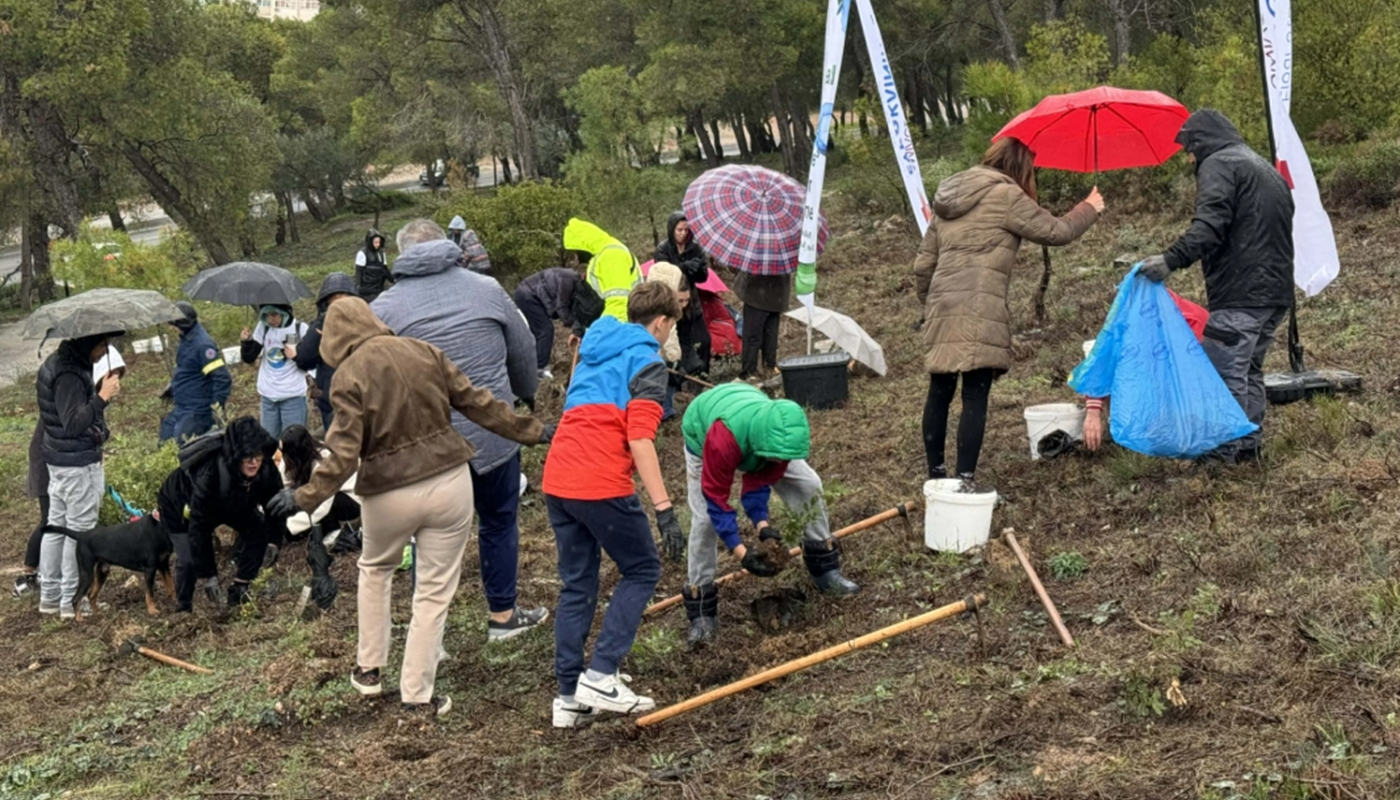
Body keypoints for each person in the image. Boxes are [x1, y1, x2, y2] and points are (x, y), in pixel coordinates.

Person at [265, 297, 547, 717]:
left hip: (388, 492)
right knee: (433, 593)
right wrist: (535, 430)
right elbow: (478, 403)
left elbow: (342, 454)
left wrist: (302, 496)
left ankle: (369, 670)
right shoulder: (424, 351)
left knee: (375, 571)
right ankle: (418, 696)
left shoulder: (348, 376)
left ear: (335, 337)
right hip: (450, 483)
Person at [372, 219, 546, 642]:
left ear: (402, 253)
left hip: (426, 443)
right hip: (493, 435)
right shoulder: (486, 289)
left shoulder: (384, 308)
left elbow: (372, 378)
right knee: (499, 521)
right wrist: (524, 395)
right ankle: (503, 618)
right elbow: (522, 350)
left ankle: (428, 636)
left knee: (427, 536)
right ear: (447, 246)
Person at [913, 137, 1103, 485]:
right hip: (980, 306)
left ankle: (936, 478)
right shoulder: (1006, 195)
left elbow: (924, 265)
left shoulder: (948, 198)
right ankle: (965, 481)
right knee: (974, 394)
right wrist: (1088, 207)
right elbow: (1056, 231)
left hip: (942, 303)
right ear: (1020, 167)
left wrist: (930, 306)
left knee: (939, 389)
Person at [541, 281, 683, 727]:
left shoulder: (592, 348)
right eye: (671, 326)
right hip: (599, 480)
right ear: (661, 322)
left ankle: (568, 697)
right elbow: (640, 440)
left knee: (578, 583)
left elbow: (573, 405)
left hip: (558, 476)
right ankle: (601, 673)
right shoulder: (648, 362)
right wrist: (664, 510)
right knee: (642, 569)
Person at [1139, 109, 1295, 465]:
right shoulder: (1263, 168)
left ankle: (1223, 453)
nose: (1189, 157)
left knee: (1221, 371)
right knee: (1249, 369)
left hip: (1241, 293)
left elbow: (1209, 226)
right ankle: (1247, 447)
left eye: (1189, 149)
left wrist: (1169, 260)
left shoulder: (1220, 164)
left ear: (1201, 142)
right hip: (1275, 293)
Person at [680, 382, 859, 649]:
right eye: (775, 458)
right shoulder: (722, 440)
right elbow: (717, 500)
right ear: (762, 445)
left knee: (809, 484)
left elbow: (759, 480)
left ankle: (825, 570)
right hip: (704, 429)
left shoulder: (783, 437)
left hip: (756, 423)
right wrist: (741, 553)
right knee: (706, 519)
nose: (780, 463)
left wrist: (762, 526)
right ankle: (702, 608)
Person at [36, 331, 121, 619]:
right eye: (101, 345)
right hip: (74, 463)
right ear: (86, 343)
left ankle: (50, 595)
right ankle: (74, 600)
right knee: (80, 532)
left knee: (57, 525)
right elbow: (72, 423)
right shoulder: (69, 375)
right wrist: (102, 397)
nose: (102, 351)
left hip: (60, 459)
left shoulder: (59, 362)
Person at [158, 416, 285, 610]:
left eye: (257, 455)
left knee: (258, 529)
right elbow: (198, 528)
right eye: (247, 456)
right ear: (236, 455)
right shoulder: (212, 474)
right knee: (188, 558)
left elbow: (275, 507)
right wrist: (209, 576)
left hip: (232, 502)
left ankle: (240, 588)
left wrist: (274, 541)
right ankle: (183, 607)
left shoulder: (265, 468)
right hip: (181, 503)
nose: (253, 462)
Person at [1082, 290, 1209, 451]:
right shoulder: (1128, 321)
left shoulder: (1193, 322)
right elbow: (1102, 362)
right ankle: (1122, 428)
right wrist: (1093, 412)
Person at [160, 301, 232, 444]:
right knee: (165, 440)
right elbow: (188, 370)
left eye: (173, 325)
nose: (171, 328)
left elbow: (222, 378)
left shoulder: (203, 345)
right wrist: (172, 387)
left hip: (197, 410)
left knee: (184, 447)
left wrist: (215, 408)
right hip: (182, 406)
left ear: (183, 323)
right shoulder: (186, 340)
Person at [293, 273, 357, 431]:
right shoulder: (320, 326)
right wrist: (319, 332)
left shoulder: (364, 323)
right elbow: (304, 358)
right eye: (334, 305)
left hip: (361, 398)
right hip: (331, 400)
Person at [278, 425, 360, 543]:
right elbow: (282, 485)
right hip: (321, 497)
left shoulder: (325, 462)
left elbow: (322, 506)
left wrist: (289, 526)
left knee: (317, 510)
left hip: (348, 500)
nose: (284, 458)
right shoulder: (292, 457)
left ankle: (334, 531)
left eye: (286, 453)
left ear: (298, 451)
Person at [654, 211, 712, 375]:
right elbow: (662, 273)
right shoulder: (663, 249)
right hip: (671, 302)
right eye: (679, 230)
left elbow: (703, 277)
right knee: (677, 343)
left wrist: (698, 270)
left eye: (686, 230)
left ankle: (703, 373)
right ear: (672, 229)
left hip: (691, 301)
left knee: (704, 341)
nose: (682, 233)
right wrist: (682, 267)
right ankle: (680, 378)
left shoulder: (695, 248)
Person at [240, 305, 311, 438]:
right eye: (266, 315)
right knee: (269, 440)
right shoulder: (264, 327)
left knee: (292, 441)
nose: (270, 319)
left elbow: (311, 360)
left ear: (284, 314)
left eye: (274, 315)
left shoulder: (299, 328)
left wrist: (296, 355)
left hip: (292, 394)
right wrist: (246, 342)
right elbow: (249, 357)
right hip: (268, 394)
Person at [562, 218, 639, 334]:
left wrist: (601, 337)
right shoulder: (601, 256)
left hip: (622, 332)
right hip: (613, 328)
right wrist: (580, 330)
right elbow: (595, 300)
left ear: (583, 246)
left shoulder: (612, 256)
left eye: (576, 251)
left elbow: (618, 304)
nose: (577, 258)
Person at [513, 267, 581, 380]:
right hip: (527, 295)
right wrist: (574, 327)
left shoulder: (576, 284)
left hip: (532, 295)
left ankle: (528, 367)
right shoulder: (568, 280)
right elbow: (562, 307)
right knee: (545, 330)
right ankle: (539, 369)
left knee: (538, 333)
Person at [643, 261, 689, 421]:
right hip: (657, 354)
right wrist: (675, 359)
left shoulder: (643, 298)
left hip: (643, 352)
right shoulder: (666, 306)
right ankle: (664, 411)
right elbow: (670, 335)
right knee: (665, 380)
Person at [733, 270, 791, 380]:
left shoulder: (759, 255)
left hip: (757, 291)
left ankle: (749, 373)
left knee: (752, 335)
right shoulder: (783, 254)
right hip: (778, 291)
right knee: (770, 332)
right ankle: (769, 367)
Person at [354, 229, 393, 302]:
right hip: (366, 292)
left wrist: (393, 280)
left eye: (379, 242)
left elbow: (385, 270)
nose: (378, 244)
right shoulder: (362, 253)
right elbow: (359, 273)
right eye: (375, 242)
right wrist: (357, 288)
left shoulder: (381, 253)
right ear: (370, 241)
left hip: (379, 289)